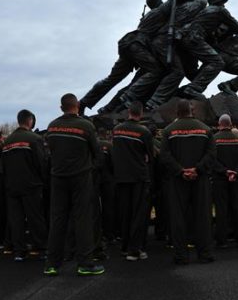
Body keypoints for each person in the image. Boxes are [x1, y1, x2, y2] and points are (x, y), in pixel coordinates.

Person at [44, 94, 104, 276]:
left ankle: (51, 264)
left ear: (61, 107)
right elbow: (98, 155)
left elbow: (50, 152)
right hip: (81, 177)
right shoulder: (86, 125)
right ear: (77, 105)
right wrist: (89, 169)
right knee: (83, 219)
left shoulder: (52, 126)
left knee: (57, 220)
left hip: (58, 177)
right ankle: (85, 263)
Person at [159, 99, 215, 264]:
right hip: (201, 179)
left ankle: (181, 255)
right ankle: (205, 253)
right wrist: (197, 169)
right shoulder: (206, 130)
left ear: (178, 112)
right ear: (192, 111)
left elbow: (164, 156)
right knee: (203, 216)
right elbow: (212, 154)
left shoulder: (168, 131)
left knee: (178, 218)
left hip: (178, 180)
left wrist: (180, 170)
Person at [0, 110, 48, 261]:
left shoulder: (7, 142)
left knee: (16, 219)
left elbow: (3, 168)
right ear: (30, 121)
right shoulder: (35, 138)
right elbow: (42, 163)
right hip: (31, 185)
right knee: (35, 218)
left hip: (12, 186)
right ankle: (41, 248)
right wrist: (44, 181)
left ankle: (19, 251)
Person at [111, 101, 155, 261]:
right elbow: (150, 156)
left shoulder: (116, 130)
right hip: (139, 177)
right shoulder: (143, 132)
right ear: (141, 113)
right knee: (139, 214)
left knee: (126, 213)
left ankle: (125, 247)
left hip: (121, 177)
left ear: (128, 111)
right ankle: (135, 250)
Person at [211, 114, 238, 248]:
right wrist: (235, 172)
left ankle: (222, 240)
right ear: (231, 124)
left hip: (220, 179)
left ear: (220, 124)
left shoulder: (214, 139)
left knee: (222, 210)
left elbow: (212, 160)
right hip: (236, 178)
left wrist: (224, 171)